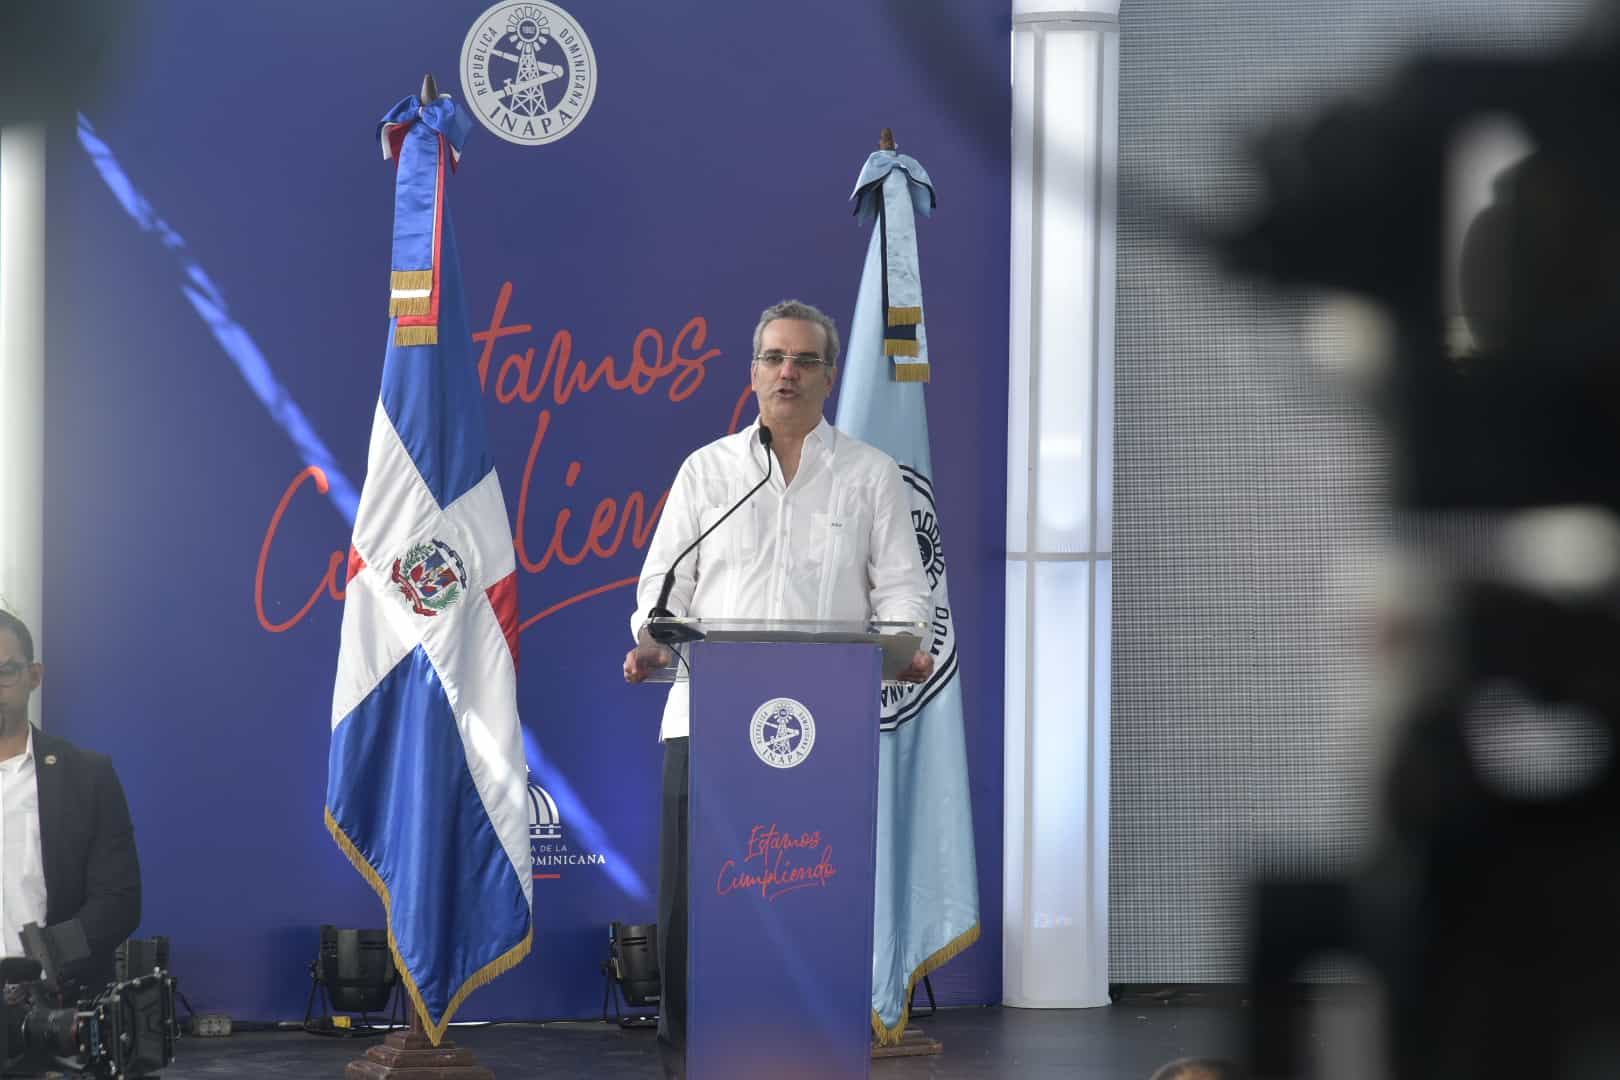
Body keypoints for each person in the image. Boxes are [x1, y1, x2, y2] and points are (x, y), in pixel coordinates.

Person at [623, 299, 933, 1076]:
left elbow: (904, 595)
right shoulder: (709, 471)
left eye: (803, 360)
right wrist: (653, 644)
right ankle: (690, 1061)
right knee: (697, 914)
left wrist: (905, 647)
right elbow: (661, 596)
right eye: (773, 358)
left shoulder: (868, 475)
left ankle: (816, 1055)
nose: (786, 373)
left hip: (827, 734)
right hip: (707, 723)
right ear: (753, 371)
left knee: (815, 901)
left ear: (828, 375)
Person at [0, 610, 140, 998]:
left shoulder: (86, 776)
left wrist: (47, 960)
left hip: (52, 1008)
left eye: (5, 672)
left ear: (34, 676)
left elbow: (119, 902)